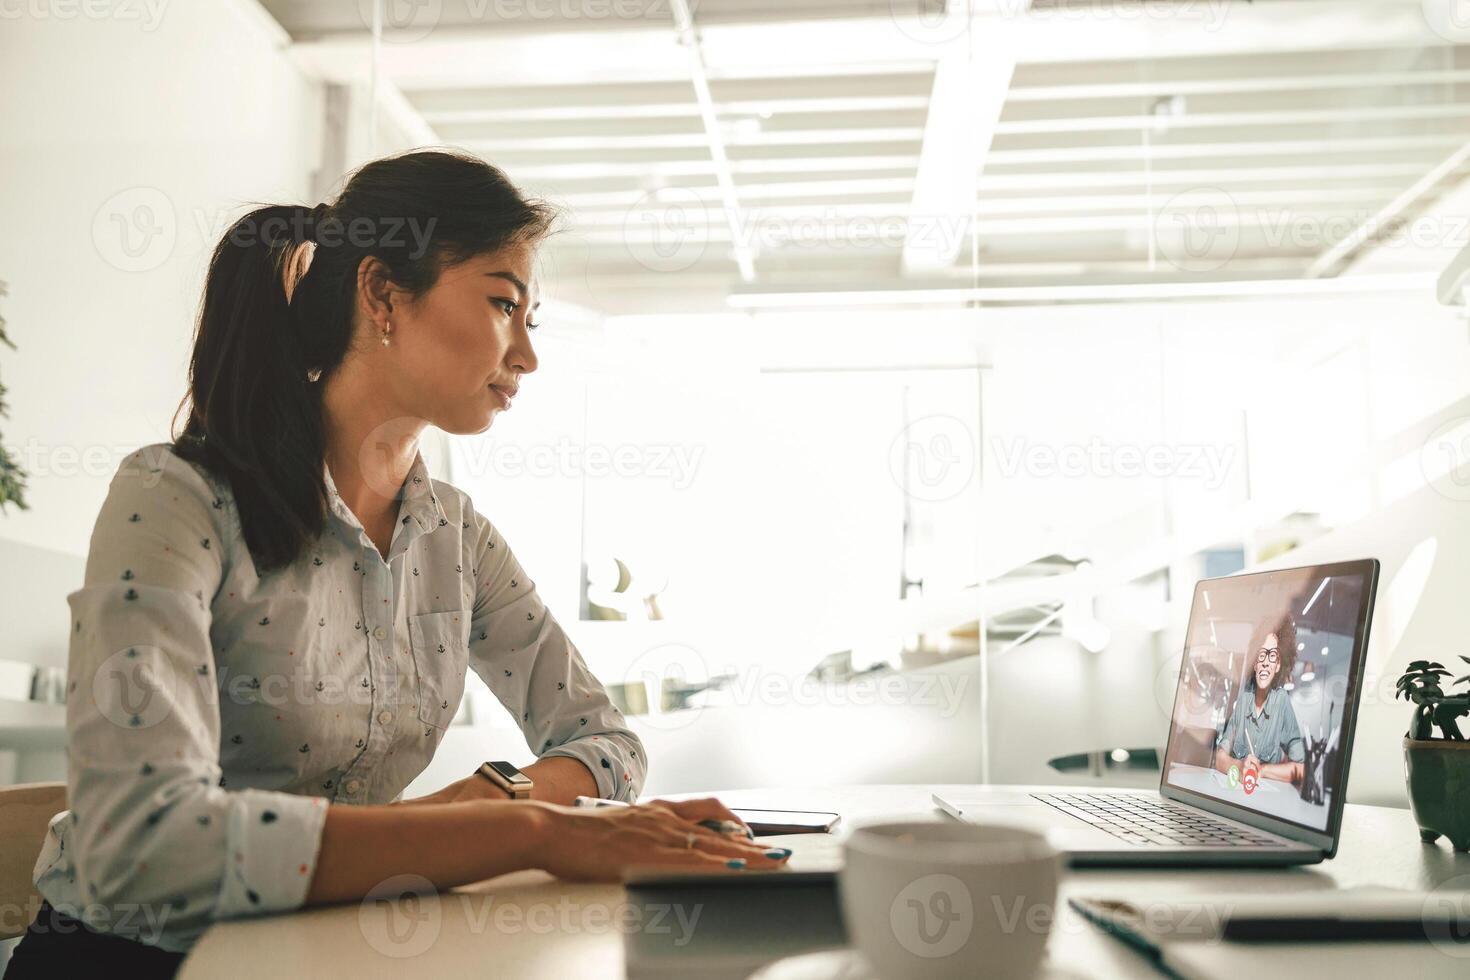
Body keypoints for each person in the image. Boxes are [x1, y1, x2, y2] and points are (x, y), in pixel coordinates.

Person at [5, 150, 788, 978]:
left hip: (332, 951)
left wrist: (488, 804)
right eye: (502, 303)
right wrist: (530, 829)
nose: (527, 354)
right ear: (382, 293)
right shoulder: (175, 497)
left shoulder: (458, 537)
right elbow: (146, 843)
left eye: (532, 319)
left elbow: (605, 742)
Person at [1213, 611, 1306, 785]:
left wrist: (1262, 770)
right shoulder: (1243, 702)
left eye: (1272, 656)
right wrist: (1239, 766)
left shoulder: (1281, 702)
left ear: (1278, 665)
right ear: (1255, 664)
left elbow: (1301, 770)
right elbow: (1219, 758)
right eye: (1262, 655)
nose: (1265, 662)